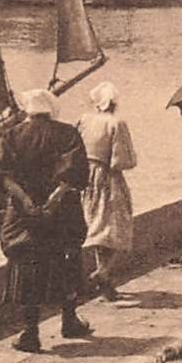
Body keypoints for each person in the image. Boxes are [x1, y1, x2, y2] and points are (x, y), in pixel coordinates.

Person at [0, 88, 91, 351]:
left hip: (24, 214)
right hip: (62, 211)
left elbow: (1, 175)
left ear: (27, 110)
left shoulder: (12, 135)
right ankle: (69, 321)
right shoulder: (68, 132)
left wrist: (25, 201)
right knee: (67, 260)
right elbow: (74, 174)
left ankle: (30, 333)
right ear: (50, 109)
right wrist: (53, 201)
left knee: (26, 266)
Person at [77, 82, 137, 302]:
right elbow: (122, 160)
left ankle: (105, 277)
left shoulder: (84, 119)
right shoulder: (116, 123)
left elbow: (75, 147)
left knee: (95, 225)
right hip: (107, 177)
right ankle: (103, 272)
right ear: (112, 102)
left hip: (86, 176)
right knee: (115, 225)